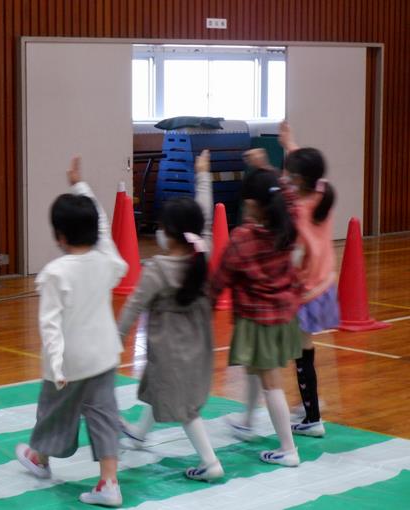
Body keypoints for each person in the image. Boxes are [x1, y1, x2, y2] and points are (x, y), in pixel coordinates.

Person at [15, 157, 128, 507]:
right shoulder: (107, 262)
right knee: (104, 416)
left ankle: (40, 458)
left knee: (53, 413)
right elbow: (105, 228)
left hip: (69, 361)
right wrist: (81, 186)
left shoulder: (56, 273)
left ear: (60, 236)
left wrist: (57, 367)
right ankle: (109, 481)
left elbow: (50, 325)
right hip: (104, 356)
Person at [118, 150, 223, 481]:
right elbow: (203, 216)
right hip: (197, 349)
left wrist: (115, 339)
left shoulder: (159, 269)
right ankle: (139, 432)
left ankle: (210, 463)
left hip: (171, 352)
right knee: (162, 390)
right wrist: (203, 174)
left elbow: (133, 305)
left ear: (169, 232)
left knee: (184, 410)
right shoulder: (201, 254)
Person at [210, 168, 302, 467]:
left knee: (271, 382)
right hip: (284, 314)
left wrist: (203, 307)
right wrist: (276, 173)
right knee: (258, 369)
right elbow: (290, 197)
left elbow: (218, 280)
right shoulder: (288, 227)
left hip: (259, 320)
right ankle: (248, 421)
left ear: (250, 203)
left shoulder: (243, 238)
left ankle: (288, 449)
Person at [280, 122, 338, 437]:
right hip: (325, 284)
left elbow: (297, 253)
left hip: (305, 290)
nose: (286, 177)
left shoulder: (299, 210)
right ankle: (308, 405)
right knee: (303, 349)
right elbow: (305, 171)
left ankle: (312, 417)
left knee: (301, 352)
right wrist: (290, 143)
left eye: (290, 174)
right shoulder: (323, 191)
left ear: (299, 179)